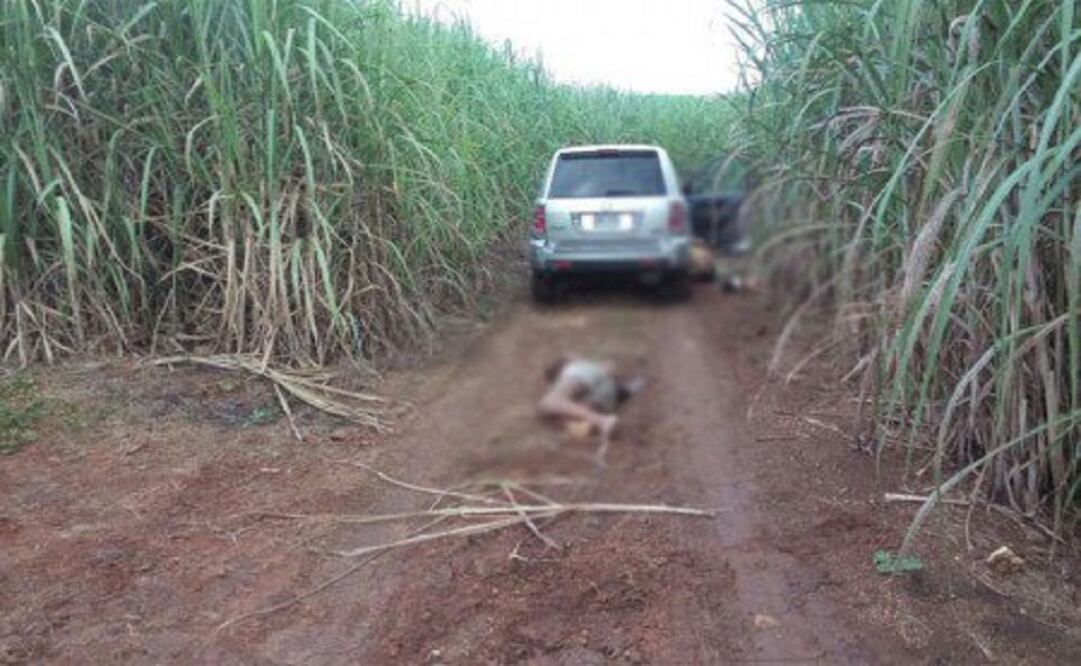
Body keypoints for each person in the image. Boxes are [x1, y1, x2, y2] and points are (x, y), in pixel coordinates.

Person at [538, 356, 642, 463]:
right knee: (566, 413)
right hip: (609, 394)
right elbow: (611, 366)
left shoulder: (572, 370)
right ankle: (600, 421)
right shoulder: (593, 367)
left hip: (589, 380)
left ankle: (603, 421)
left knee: (548, 402)